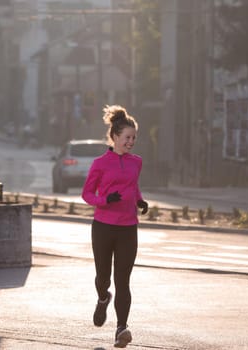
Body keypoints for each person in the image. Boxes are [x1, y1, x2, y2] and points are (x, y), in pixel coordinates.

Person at [81, 104, 148, 348]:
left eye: (134, 138)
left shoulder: (136, 162)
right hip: (103, 227)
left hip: (128, 227)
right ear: (115, 137)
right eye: (127, 137)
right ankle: (102, 298)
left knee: (123, 280)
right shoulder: (100, 163)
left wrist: (139, 200)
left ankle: (122, 328)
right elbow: (87, 193)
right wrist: (104, 200)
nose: (131, 142)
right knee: (103, 277)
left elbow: (133, 185)